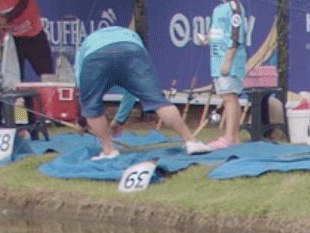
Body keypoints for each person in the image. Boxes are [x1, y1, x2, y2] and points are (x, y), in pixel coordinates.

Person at [73, 23, 211, 159]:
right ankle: (191, 141)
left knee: (91, 105)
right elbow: (131, 93)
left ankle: (109, 150)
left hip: (96, 54)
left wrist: (82, 121)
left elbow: (84, 94)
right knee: (158, 100)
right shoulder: (131, 37)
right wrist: (119, 120)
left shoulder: (84, 48)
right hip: (132, 49)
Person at [206, 0, 250, 149]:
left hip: (229, 61)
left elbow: (235, 37)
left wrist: (227, 62)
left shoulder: (234, 7)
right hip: (217, 58)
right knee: (228, 98)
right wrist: (207, 39)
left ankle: (230, 137)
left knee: (230, 98)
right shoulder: (220, 8)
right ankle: (234, 138)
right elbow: (220, 33)